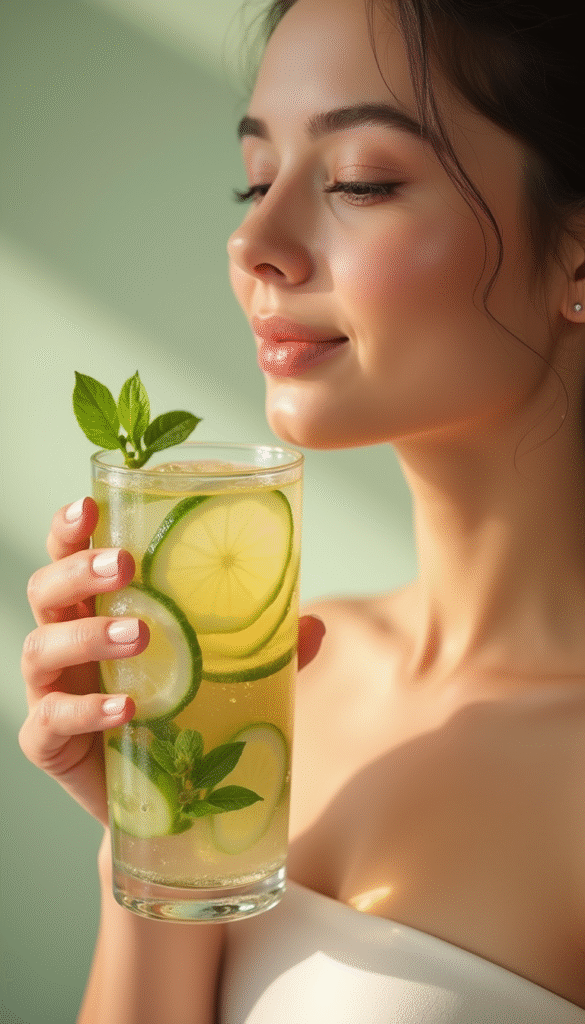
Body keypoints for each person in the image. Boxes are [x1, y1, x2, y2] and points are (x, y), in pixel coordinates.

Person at [19, 0, 585, 1019]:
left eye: (360, 181)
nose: (255, 240)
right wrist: (153, 842)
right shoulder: (262, 686)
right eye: (256, 176)